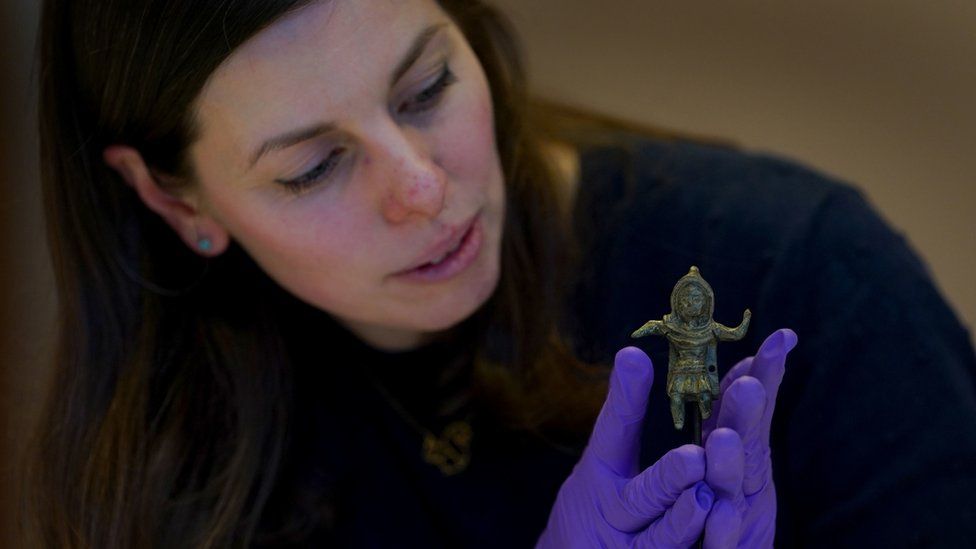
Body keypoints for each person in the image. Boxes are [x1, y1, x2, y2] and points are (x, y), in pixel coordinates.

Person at [20, 0, 976, 547]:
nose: (424, 187)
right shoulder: (169, 465)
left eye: (427, 86)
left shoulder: (802, 267)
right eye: (313, 167)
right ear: (175, 201)